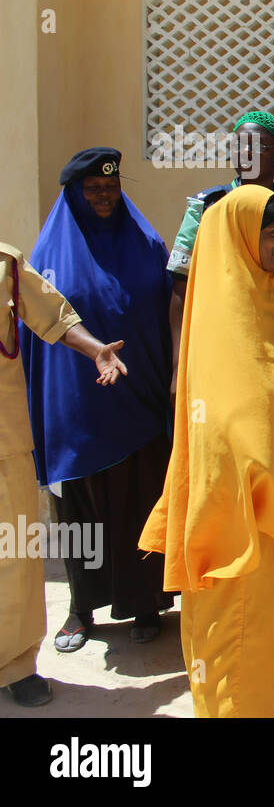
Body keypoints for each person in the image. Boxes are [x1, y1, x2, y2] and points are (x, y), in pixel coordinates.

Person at [139, 185, 274, 717]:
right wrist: (263, 474)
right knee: (232, 624)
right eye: (271, 235)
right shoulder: (222, 304)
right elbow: (227, 415)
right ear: (237, 238)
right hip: (237, 503)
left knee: (271, 624)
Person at [22, 147, 174, 654]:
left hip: (141, 399)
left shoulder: (146, 241)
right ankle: (80, 608)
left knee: (141, 499)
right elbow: (36, 335)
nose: (105, 196)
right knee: (79, 512)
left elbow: (167, 312)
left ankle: (144, 602)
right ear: (73, 195)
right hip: (79, 410)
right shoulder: (48, 257)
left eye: (112, 188)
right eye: (94, 190)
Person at [2, 242, 127, 707]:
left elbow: (54, 315)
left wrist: (98, 351)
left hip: (5, 441)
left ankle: (15, 666)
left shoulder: (6, 264)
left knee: (12, 557)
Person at [166, 110, 274, 389]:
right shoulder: (207, 206)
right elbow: (181, 287)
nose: (246, 152)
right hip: (221, 346)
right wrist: (178, 365)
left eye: (258, 146)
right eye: (239, 144)